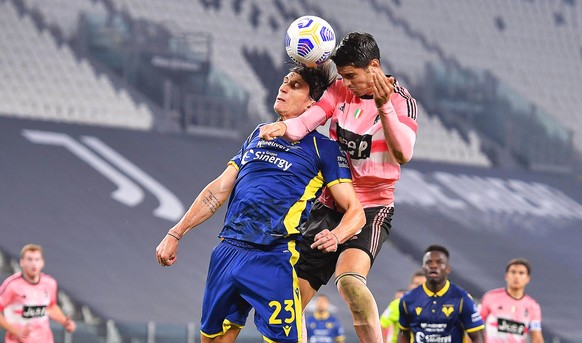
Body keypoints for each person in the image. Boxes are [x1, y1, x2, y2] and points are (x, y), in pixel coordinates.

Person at [155, 65, 365, 343]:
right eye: (284, 82)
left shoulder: (323, 149)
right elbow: (218, 189)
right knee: (214, 339)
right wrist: (176, 232)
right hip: (228, 252)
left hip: (272, 256)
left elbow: (356, 212)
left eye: (295, 85)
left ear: (312, 103)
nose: (283, 88)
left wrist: (337, 236)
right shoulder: (258, 134)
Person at [260, 32, 418, 343]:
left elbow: (403, 154)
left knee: (350, 283)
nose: (345, 83)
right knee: (289, 300)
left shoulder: (402, 102)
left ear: (374, 66)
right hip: (331, 203)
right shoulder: (340, 90)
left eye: (351, 76)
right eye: (342, 76)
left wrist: (384, 107)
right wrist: (284, 127)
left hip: (372, 208)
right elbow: (309, 120)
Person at [397, 245, 484, 343]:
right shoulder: (408, 300)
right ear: (423, 268)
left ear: (448, 269)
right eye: (428, 262)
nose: (433, 266)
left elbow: (477, 335)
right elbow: (403, 332)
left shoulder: (462, 299)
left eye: (439, 262)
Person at [0, 244, 76, 343]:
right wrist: (16, 331)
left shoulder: (49, 283)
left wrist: (64, 321)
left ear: (42, 262)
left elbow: (51, 306)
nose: (33, 264)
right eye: (29, 259)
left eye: (37, 259)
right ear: (22, 262)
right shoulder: (12, 285)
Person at [479, 258, 543, 343]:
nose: (516, 276)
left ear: (528, 278)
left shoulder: (533, 306)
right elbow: (473, 325)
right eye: (513, 272)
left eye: (521, 273)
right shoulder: (490, 298)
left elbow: (537, 337)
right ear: (506, 276)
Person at [380, 270, 426, 343]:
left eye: (422, 284)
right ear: (410, 285)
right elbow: (381, 326)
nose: (419, 287)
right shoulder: (397, 304)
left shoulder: (434, 306)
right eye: (416, 283)